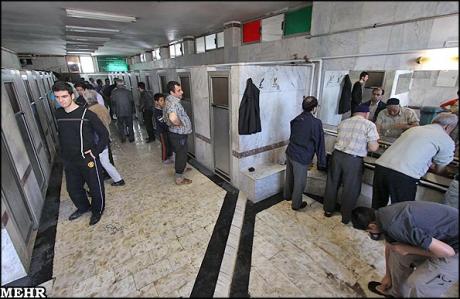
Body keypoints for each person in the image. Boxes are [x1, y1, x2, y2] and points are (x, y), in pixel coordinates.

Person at [351, 201, 458, 298]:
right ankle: (395, 293)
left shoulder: (396, 226)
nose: (370, 234)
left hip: (454, 249)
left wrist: (409, 250)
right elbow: (390, 246)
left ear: (372, 226)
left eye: (367, 231)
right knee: (398, 255)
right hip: (440, 240)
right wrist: (388, 276)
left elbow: (448, 252)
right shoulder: (383, 215)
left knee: (417, 284)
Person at [372, 112, 457, 209]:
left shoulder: (413, 129)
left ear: (433, 121)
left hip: (382, 167)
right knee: (402, 210)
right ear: (448, 127)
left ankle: (371, 223)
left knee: (377, 205)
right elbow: (440, 169)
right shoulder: (445, 139)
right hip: (403, 175)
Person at [52, 81, 109, 226]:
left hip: (87, 159)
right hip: (70, 160)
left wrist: (95, 152)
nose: (61, 100)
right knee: (73, 188)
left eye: (64, 96)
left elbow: (104, 135)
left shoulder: (87, 114)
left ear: (72, 95)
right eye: (57, 97)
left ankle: (97, 211)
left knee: (95, 187)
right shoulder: (58, 114)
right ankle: (83, 207)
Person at [323, 104, 379, 223]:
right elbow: (373, 148)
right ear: (367, 114)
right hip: (353, 160)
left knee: (332, 183)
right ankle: (345, 216)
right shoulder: (369, 125)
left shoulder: (343, 122)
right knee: (350, 188)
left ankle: (328, 210)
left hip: (336, 156)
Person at [284, 96, 326, 210]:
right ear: (314, 108)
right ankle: (296, 205)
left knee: (289, 177)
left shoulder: (297, 119)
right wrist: (322, 162)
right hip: (301, 156)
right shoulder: (316, 123)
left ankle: (287, 196)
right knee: (300, 182)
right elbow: (320, 143)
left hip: (290, 152)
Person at [83, 89, 125, 187]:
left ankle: (118, 179)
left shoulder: (89, 111)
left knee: (103, 161)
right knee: (104, 160)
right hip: (105, 136)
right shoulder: (102, 107)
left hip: (97, 139)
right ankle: (117, 179)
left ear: (86, 100)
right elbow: (109, 121)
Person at [164, 81, 193, 185]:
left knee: (180, 153)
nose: (182, 92)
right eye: (179, 90)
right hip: (178, 134)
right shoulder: (173, 103)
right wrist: (180, 123)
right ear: (172, 92)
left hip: (176, 134)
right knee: (182, 154)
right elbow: (173, 118)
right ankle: (179, 178)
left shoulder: (169, 99)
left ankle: (182, 168)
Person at [111, 78, 135, 143]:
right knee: (130, 125)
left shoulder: (114, 93)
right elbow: (132, 102)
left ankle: (123, 138)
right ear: (123, 84)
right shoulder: (128, 92)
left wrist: (113, 113)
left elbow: (113, 104)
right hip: (128, 111)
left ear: (117, 85)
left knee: (121, 125)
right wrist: (133, 111)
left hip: (119, 112)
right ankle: (131, 138)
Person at [154, 93, 173, 164]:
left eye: (164, 100)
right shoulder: (157, 112)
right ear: (156, 102)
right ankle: (164, 159)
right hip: (162, 131)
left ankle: (170, 156)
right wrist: (170, 125)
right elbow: (162, 122)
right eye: (161, 100)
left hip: (167, 130)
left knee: (168, 143)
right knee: (164, 145)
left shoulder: (163, 109)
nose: (163, 102)